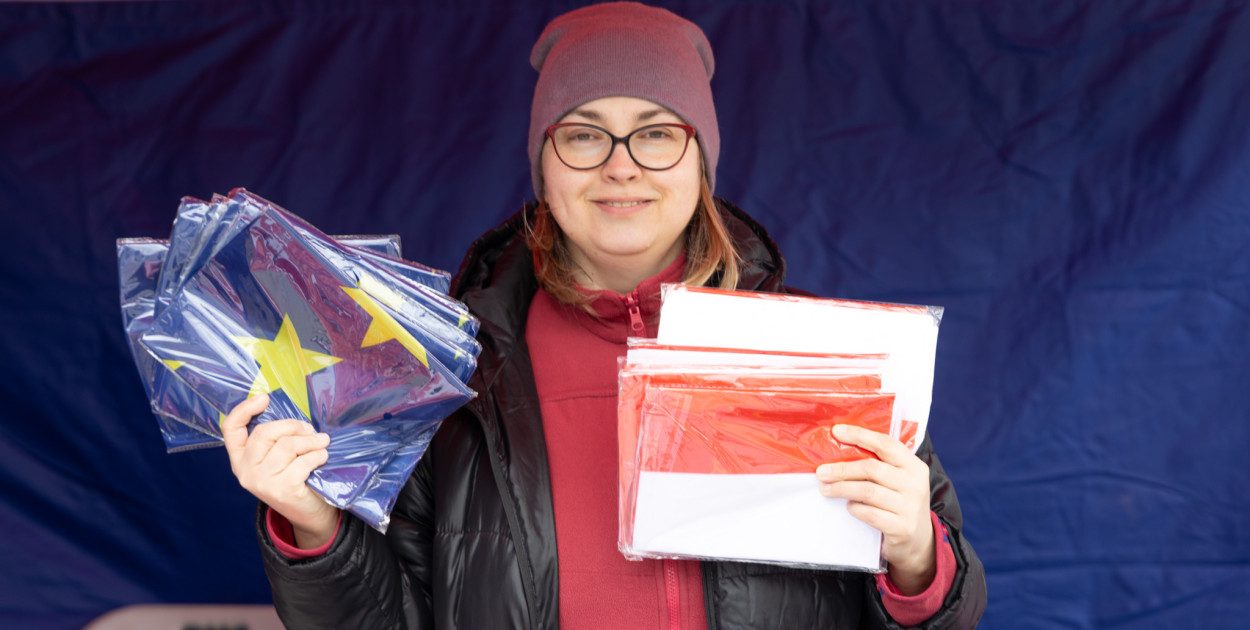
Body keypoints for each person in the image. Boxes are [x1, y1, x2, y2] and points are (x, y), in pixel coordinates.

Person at [221, 3, 987, 628]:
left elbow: (947, 612)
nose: (621, 165)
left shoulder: (823, 358)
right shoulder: (448, 374)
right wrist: (312, 526)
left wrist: (916, 555)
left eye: (656, 133)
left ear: (699, 161)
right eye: (585, 134)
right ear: (543, 163)